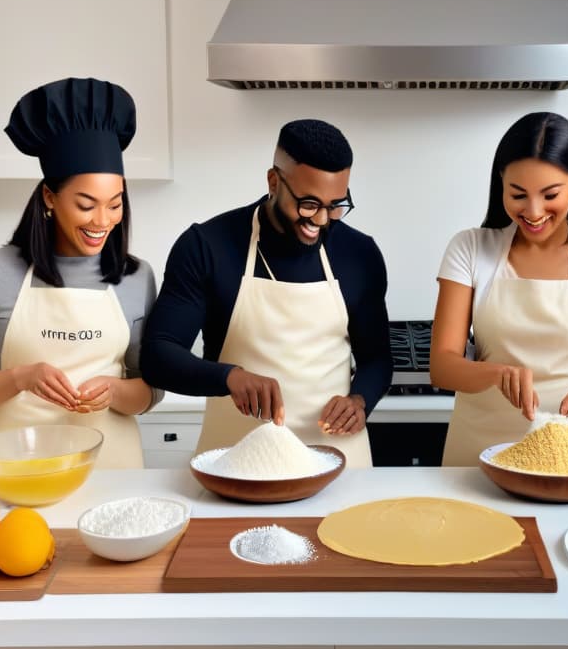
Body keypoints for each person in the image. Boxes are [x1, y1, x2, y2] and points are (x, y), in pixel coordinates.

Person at [0, 77, 161, 468]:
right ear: (50, 198)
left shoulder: (136, 276)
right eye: (86, 205)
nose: (102, 221)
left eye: (115, 204)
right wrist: (20, 378)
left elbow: (150, 389)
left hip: (114, 472)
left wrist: (113, 392)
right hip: (15, 471)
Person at [140, 119, 391, 467]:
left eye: (335, 205)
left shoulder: (360, 254)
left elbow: (377, 358)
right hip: (234, 462)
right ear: (274, 181)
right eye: (308, 204)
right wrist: (229, 377)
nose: (320, 221)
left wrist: (360, 400)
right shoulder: (207, 246)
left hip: (337, 462)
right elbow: (157, 355)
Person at [431, 112, 568, 466]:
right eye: (518, 195)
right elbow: (442, 366)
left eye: (550, 194)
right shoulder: (470, 247)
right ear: (500, 181)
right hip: (477, 453)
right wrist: (496, 373)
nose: (533, 212)